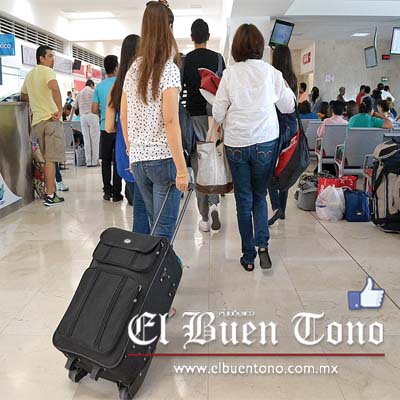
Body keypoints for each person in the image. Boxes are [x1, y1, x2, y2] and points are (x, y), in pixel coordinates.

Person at [213, 24, 295, 271]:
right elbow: (289, 107)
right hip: (265, 141)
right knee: (260, 196)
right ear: (260, 46)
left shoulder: (229, 74)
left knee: (243, 200)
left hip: (237, 142)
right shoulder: (271, 73)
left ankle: (248, 257)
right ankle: (263, 247)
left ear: (236, 48)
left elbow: (217, 113)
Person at [120, 1, 189, 244]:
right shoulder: (169, 70)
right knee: (163, 230)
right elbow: (170, 121)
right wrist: (182, 170)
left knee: (154, 224)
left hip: (139, 161)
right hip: (163, 160)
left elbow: (124, 115)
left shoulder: (133, 69)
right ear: (168, 28)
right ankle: (158, 269)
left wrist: (131, 149)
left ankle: (157, 266)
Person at [182, 18, 226, 232]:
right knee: (213, 162)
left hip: (193, 118)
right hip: (214, 118)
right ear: (208, 36)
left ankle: (205, 218)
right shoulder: (218, 58)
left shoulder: (185, 61)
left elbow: (179, 90)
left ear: (192, 37)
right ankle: (215, 202)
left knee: (199, 166)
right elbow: (224, 89)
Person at [105, 34, 150, 234]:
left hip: (125, 150)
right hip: (147, 148)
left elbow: (108, 127)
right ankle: (150, 245)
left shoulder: (116, 87)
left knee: (139, 204)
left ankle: (141, 244)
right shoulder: (146, 82)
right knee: (149, 206)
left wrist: (123, 128)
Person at [21, 45, 66, 206]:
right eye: (50, 56)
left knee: (47, 159)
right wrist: (60, 109)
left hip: (38, 123)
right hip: (51, 120)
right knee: (50, 160)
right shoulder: (47, 71)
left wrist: (36, 100)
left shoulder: (30, 75)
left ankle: (51, 193)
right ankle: (50, 195)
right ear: (41, 58)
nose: (53, 59)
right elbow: (54, 87)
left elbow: (23, 95)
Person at [267, 45, 298, 227]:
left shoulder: (273, 77)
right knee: (285, 167)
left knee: (270, 169)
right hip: (291, 126)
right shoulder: (293, 78)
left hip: (276, 125)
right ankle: (283, 209)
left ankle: (276, 206)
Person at [93, 55, 123, 201]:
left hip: (105, 127)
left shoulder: (99, 86)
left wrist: (103, 113)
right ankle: (117, 193)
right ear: (116, 67)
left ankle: (107, 191)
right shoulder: (121, 84)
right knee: (117, 160)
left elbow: (93, 109)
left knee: (105, 160)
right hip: (119, 128)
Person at [75, 79, 100, 167]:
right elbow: (98, 104)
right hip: (92, 115)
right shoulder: (93, 92)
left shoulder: (79, 93)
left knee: (86, 140)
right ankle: (94, 161)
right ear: (92, 85)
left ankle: (88, 161)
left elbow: (75, 107)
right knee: (95, 140)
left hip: (83, 117)